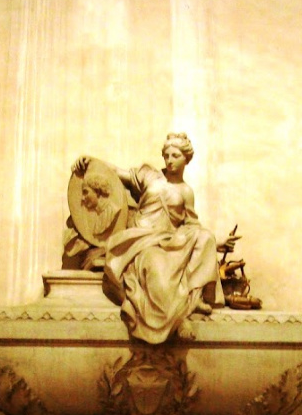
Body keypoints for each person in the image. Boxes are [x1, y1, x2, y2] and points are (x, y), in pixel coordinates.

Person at [72, 133, 239, 344]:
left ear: (186, 159)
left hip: (170, 239)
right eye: (167, 155)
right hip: (142, 237)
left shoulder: (186, 192)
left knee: (205, 237)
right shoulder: (149, 175)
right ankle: (176, 318)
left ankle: (192, 300)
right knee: (156, 265)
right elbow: (115, 173)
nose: (169, 160)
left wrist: (219, 242)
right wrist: (91, 162)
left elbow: (191, 224)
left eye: (175, 155)